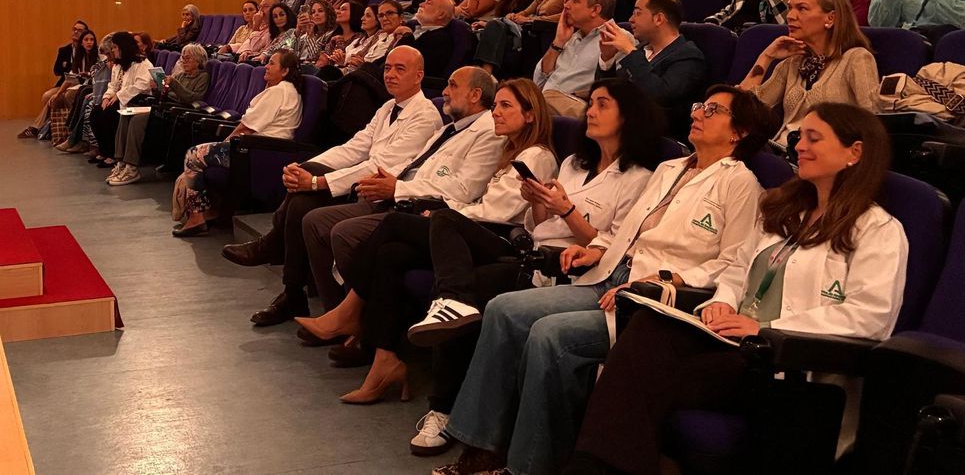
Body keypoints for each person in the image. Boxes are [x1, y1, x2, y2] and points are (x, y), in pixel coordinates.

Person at [431, 86, 775, 475]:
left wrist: (667, 278)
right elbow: (627, 232)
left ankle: (528, 467)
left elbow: (733, 263)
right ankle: (482, 448)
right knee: (503, 308)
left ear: (739, 132)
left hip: (647, 295)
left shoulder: (740, 183)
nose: (697, 113)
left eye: (712, 110)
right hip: (610, 272)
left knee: (550, 335)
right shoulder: (671, 168)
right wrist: (596, 249)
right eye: (698, 105)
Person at [566, 105, 908, 475]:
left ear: (854, 152)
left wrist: (768, 329)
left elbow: (871, 316)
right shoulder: (785, 210)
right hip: (734, 346)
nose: (799, 147)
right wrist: (723, 303)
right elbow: (736, 270)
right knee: (649, 329)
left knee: (635, 380)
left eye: (813, 138)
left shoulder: (878, 230)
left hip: (784, 364)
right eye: (798, 137)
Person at [400, 79, 666, 456]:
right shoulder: (575, 163)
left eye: (602, 105)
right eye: (590, 103)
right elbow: (542, 227)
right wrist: (537, 202)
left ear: (628, 117)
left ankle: (447, 410)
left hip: (573, 272)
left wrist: (566, 210)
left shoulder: (639, 179)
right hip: (534, 255)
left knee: (469, 286)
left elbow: (611, 250)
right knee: (460, 283)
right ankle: (445, 405)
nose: (589, 111)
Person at [293, 80, 558, 406]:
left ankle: (349, 310)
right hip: (473, 228)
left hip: (500, 240)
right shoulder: (511, 151)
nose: (496, 113)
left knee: (394, 222)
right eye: (496, 105)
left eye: (505, 106)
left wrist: (448, 214)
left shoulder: (536, 156)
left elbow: (496, 212)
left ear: (530, 115)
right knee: (392, 253)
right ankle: (384, 362)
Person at [222, 47, 444, 323]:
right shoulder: (387, 107)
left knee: (305, 200)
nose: (391, 74)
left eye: (400, 69)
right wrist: (308, 168)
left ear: (419, 76)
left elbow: (379, 167)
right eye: (387, 68)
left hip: (378, 192)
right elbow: (354, 148)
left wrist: (317, 181)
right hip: (357, 183)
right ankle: (291, 289)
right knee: (302, 198)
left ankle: (285, 274)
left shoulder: (425, 115)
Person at [296, 67, 506, 318]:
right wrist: (389, 181)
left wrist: (397, 188)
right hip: (399, 195)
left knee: (344, 232)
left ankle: (354, 321)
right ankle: (333, 311)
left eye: (452, 85)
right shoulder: (449, 128)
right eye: (386, 68)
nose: (444, 91)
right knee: (314, 219)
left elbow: (462, 189)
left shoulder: (487, 133)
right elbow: (414, 165)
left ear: (475, 95)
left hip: (424, 207)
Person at [172, 49, 304, 236]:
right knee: (203, 153)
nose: (266, 66)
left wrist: (226, 142)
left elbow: (247, 127)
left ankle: (196, 217)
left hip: (255, 151)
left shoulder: (278, 92)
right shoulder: (287, 90)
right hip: (261, 148)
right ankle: (211, 210)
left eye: (272, 63)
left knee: (194, 155)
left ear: (285, 71)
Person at [739, 0, 878, 142]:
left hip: (823, 158)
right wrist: (766, 56)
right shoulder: (793, 63)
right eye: (790, 8)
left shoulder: (857, 59)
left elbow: (872, 124)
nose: (790, 16)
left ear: (830, 18)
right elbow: (745, 110)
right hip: (782, 152)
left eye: (802, 8)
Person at [596, 0, 709, 129]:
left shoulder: (688, 57)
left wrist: (630, 51)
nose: (631, 19)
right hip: (621, 124)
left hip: (654, 133)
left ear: (658, 19)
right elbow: (608, 93)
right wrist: (607, 60)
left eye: (637, 13)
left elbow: (659, 96)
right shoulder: (641, 50)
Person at [106, 42, 210, 185]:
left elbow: (192, 98)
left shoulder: (202, 77)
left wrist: (172, 85)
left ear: (199, 61)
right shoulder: (180, 75)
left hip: (176, 114)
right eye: (183, 58)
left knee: (137, 120)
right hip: (164, 108)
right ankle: (121, 162)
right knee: (126, 114)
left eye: (188, 59)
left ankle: (132, 168)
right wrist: (158, 88)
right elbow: (170, 94)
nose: (184, 61)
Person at [534, 0, 614, 117]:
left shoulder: (617, 38)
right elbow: (539, 82)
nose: (566, 5)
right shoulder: (569, 38)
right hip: (547, 104)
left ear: (595, 10)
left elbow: (615, 88)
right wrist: (558, 42)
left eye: (574, 0)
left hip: (582, 110)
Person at [86, 31, 156, 168]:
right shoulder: (118, 65)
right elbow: (113, 85)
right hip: (119, 99)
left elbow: (142, 85)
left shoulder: (142, 63)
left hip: (136, 100)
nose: (113, 51)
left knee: (110, 115)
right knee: (95, 113)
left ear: (123, 47)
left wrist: (118, 95)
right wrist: (106, 97)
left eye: (115, 48)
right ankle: (104, 150)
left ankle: (113, 154)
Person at [20, 20, 92, 138]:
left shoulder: (88, 50)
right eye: (74, 29)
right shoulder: (64, 50)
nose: (76, 32)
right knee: (47, 96)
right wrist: (68, 68)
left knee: (63, 96)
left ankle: (36, 127)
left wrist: (71, 69)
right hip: (65, 82)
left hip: (79, 83)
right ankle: (47, 127)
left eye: (79, 30)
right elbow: (57, 71)